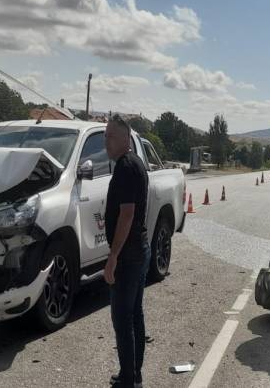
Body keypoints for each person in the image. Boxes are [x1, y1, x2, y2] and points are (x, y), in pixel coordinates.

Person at [104, 115, 150, 388]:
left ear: (125, 139)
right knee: (134, 314)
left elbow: (127, 214)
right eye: (105, 135)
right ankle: (134, 373)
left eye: (110, 135)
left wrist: (113, 257)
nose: (105, 141)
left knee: (123, 319)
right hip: (139, 251)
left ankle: (128, 378)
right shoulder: (136, 165)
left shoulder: (125, 167)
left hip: (129, 256)